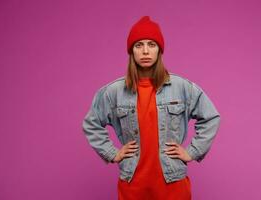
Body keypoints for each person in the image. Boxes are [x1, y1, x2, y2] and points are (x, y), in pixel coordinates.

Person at [82, 16, 221, 200]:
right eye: (139, 45)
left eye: (152, 44)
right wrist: (112, 153)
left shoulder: (182, 87)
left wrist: (192, 152)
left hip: (173, 185)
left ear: (159, 51)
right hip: (133, 185)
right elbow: (91, 123)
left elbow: (211, 117)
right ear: (131, 51)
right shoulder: (113, 91)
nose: (145, 51)